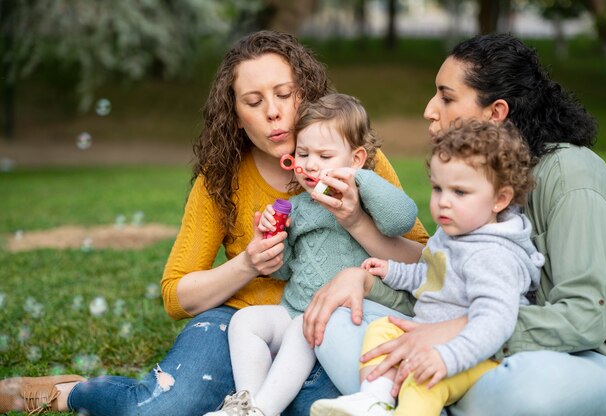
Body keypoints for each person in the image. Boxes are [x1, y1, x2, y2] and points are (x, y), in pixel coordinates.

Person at [0, 31, 429, 416]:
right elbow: (175, 293)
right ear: (235, 114)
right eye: (255, 102)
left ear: (307, 94)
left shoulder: (357, 162)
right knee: (160, 409)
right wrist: (248, 263)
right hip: (244, 322)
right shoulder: (221, 176)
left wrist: (356, 221)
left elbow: (427, 264)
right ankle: (70, 393)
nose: (274, 114)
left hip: (336, 324)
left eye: (285, 94)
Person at [305, 32, 606, 416]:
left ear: (496, 112)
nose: (429, 109)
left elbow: (585, 317)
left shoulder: (571, 176)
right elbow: (446, 282)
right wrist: (368, 281)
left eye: (446, 96)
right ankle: (414, 399)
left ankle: (415, 395)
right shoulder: (467, 181)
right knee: (334, 322)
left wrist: (460, 329)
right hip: (481, 345)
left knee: (525, 391)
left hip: (587, 359)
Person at [311, 119, 544, 416]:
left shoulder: (492, 255)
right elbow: (436, 276)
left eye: (459, 192)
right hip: (431, 332)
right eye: (438, 188)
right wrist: (394, 271)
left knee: (422, 381)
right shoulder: (458, 232)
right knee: (383, 329)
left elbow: (494, 323)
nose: (443, 203)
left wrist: (446, 358)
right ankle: (374, 400)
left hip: (478, 355)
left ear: (500, 199)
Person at [205, 93, 419, 416]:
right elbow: (284, 271)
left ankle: (264, 409)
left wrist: (359, 181)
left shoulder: (366, 199)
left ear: (356, 159)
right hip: (295, 309)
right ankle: (246, 403)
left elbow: (402, 218)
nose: (310, 164)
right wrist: (272, 240)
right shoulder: (298, 208)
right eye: (303, 153)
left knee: (301, 328)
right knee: (244, 321)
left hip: (344, 320)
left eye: (324, 155)